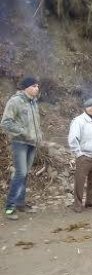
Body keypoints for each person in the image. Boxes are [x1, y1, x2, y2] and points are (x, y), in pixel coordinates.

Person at [1, 77, 43, 220]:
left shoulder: (33, 102)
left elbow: (35, 124)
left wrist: (39, 137)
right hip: (20, 143)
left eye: (38, 86)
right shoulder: (15, 101)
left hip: (32, 143)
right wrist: (24, 132)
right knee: (21, 173)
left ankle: (20, 203)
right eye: (34, 86)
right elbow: (6, 123)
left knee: (25, 174)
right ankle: (9, 207)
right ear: (26, 87)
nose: (37, 88)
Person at [68, 98, 92, 212]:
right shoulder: (79, 121)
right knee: (80, 180)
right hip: (84, 156)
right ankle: (77, 204)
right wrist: (78, 154)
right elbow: (73, 138)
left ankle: (91, 202)